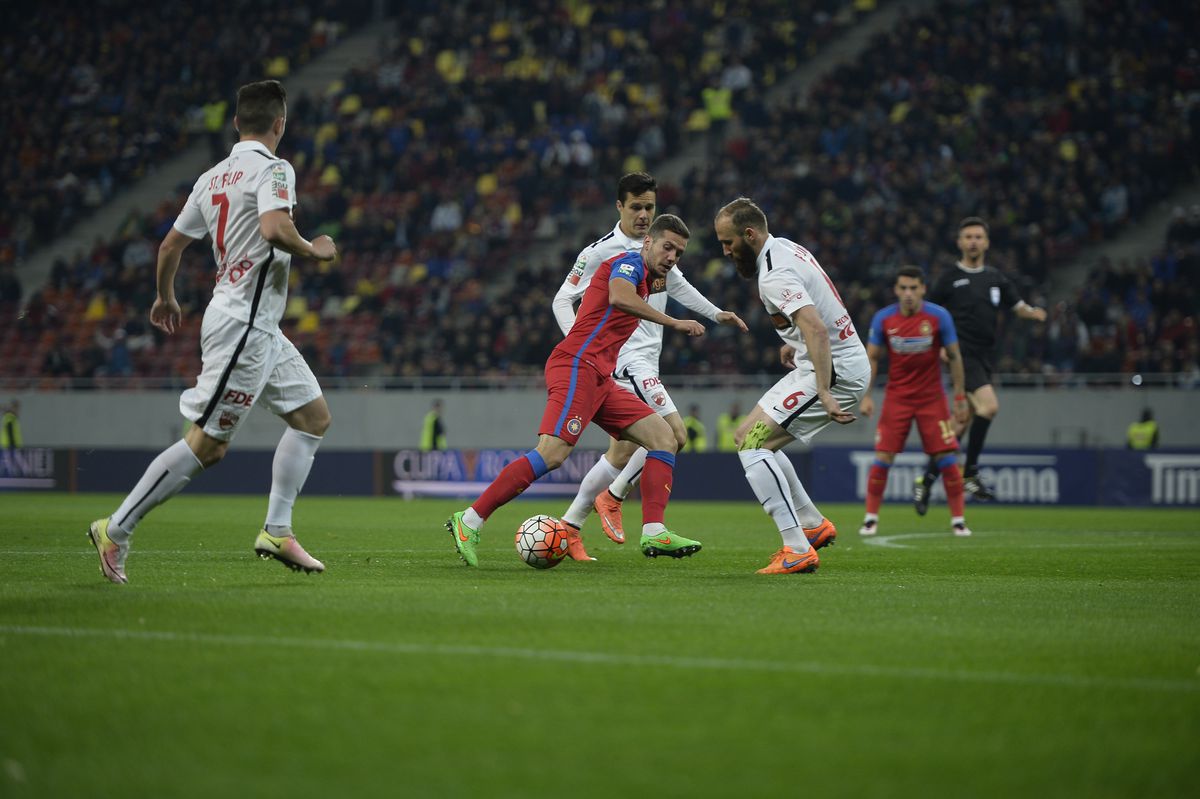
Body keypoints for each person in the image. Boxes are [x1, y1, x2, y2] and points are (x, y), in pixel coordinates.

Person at [87, 80, 338, 584]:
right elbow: (273, 228)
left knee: (313, 417)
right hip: (244, 326)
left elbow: (169, 247)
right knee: (208, 446)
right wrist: (316, 248)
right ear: (279, 125)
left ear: (235, 123)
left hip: (256, 325)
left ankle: (276, 530)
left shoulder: (211, 178)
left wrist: (165, 295)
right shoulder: (275, 168)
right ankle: (116, 529)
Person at [447, 214, 707, 567]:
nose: (673, 256)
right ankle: (471, 519)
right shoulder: (628, 264)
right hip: (576, 366)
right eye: (667, 247)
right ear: (648, 243)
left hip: (601, 376)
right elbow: (618, 297)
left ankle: (654, 530)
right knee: (552, 454)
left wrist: (715, 313)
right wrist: (674, 321)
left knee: (665, 437)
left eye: (679, 251)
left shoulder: (648, 280)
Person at [552, 172, 746, 556]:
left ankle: (570, 526)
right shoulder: (599, 252)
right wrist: (583, 346)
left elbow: (677, 285)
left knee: (623, 450)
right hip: (623, 360)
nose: (643, 214)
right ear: (619, 206)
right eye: (637, 206)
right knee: (673, 435)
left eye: (650, 207)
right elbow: (562, 299)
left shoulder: (660, 248)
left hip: (646, 362)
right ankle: (619, 500)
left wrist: (714, 313)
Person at [714, 197, 870, 575]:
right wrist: (795, 341)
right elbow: (818, 310)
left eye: (729, 242)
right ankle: (812, 525)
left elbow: (816, 326)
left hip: (834, 371)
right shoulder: (784, 247)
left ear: (749, 235)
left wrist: (826, 389)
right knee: (747, 438)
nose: (725, 252)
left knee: (753, 445)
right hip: (824, 362)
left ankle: (796, 548)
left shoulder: (773, 273)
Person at [915, 217, 1047, 507]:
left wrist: (1034, 312)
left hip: (986, 357)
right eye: (968, 237)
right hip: (962, 356)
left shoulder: (995, 278)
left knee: (959, 426)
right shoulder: (949, 278)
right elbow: (928, 315)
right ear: (960, 242)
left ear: (986, 242)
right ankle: (970, 473)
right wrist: (937, 346)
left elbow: (1017, 306)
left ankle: (925, 480)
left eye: (978, 237)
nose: (973, 241)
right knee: (989, 406)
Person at [858, 266, 972, 537]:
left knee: (947, 455)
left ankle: (958, 520)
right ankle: (870, 518)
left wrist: (959, 397)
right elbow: (871, 358)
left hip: (932, 398)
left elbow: (955, 357)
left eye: (913, 288)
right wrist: (866, 396)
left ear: (923, 289)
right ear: (896, 290)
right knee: (883, 456)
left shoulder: (938, 316)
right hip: (897, 397)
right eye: (903, 288)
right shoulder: (883, 318)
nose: (908, 294)